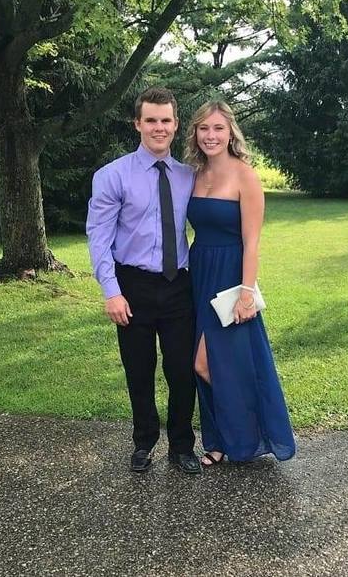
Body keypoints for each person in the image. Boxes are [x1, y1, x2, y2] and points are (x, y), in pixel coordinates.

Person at [86, 87, 201, 474]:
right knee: (139, 370)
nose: (159, 128)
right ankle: (144, 442)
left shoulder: (188, 176)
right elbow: (99, 238)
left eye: (165, 120)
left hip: (178, 285)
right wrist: (111, 292)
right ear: (137, 124)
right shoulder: (112, 176)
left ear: (176, 124)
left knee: (182, 370)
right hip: (132, 286)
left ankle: (182, 445)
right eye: (151, 120)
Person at [185, 100, 297, 466]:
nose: (211, 135)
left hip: (231, 277)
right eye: (204, 128)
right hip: (199, 273)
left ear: (230, 132)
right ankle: (219, 441)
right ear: (195, 133)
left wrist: (247, 292)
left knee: (210, 363)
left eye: (218, 128)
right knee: (210, 364)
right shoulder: (194, 174)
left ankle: (247, 434)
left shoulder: (245, 175)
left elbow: (252, 241)